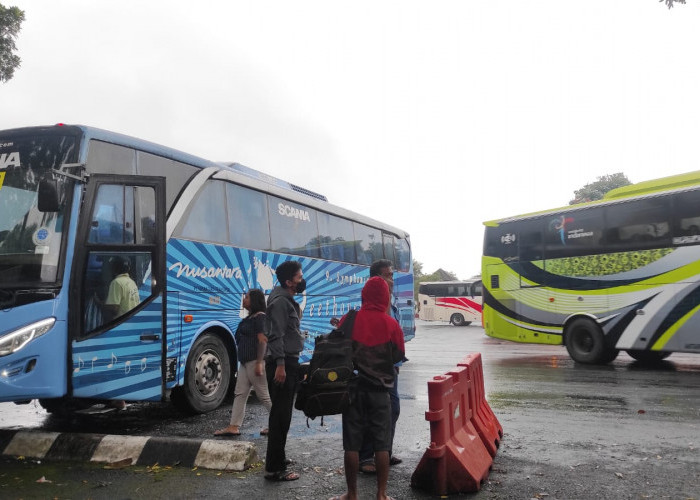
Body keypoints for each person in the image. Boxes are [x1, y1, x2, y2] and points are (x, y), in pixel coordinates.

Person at [330, 276, 405, 500]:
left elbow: (336, 348)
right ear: (384, 297)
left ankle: (351, 494)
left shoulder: (349, 319)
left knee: (352, 444)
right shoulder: (391, 324)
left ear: (364, 294)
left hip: (352, 390)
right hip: (381, 391)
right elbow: (398, 354)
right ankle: (381, 494)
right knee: (381, 444)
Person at [359, 259, 404, 474]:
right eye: (388, 275)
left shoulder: (391, 302)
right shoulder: (373, 306)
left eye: (392, 275)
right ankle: (367, 456)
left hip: (391, 369)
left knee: (392, 410)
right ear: (376, 279)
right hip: (374, 371)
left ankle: (384, 452)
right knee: (374, 412)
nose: (392, 280)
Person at [263, 260, 306, 482]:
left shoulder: (284, 298)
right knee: (280, 416)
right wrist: (280, 364)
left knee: (282, 415)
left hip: (287, 361)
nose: (302, 280)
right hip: (283, 363)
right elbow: (275, 335)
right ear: (289, 282)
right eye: (299, 277)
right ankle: (274, 469)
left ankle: (278, 457)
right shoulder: (281, 302)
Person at [214, 289, 272, 437]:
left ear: (255, 300)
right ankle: (234, 426)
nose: (244, 299)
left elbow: (262, 340)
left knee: (263, 395)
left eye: (246, 297)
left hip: (254, 361)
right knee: (240, 393)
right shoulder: (250, 318)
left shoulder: (260, 318)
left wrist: (260, 362)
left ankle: (278, 424)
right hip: (245, 362)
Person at [102, 256, 140, 323]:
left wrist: (99, 304)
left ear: (115, 268)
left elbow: (114, 308)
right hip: (131, 322)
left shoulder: (116, 282)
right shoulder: (132, 282)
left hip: (121, 323)